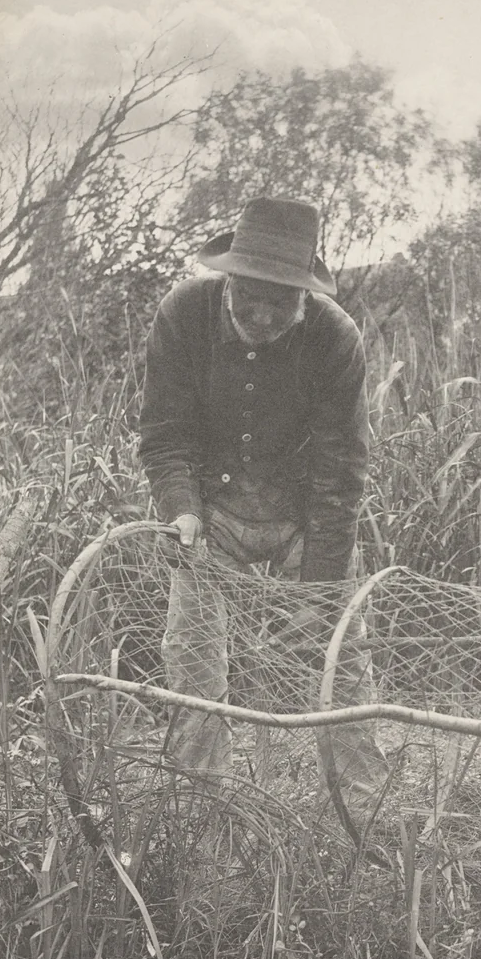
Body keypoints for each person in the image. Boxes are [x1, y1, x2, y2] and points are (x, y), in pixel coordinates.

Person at [139, 195, 386, 797]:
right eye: (251, 293)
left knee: (342, 657)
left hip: (303, 514)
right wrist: (183, 511)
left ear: (306, 294)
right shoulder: (183, 314)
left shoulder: (335, 338)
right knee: (191, 655)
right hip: (212, 514)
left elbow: (340, 470)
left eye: (282, 300)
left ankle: (360, 809)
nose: (264, 313)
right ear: (229, 278)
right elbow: (164, 435)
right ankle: (199, 804)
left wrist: (321, 591)